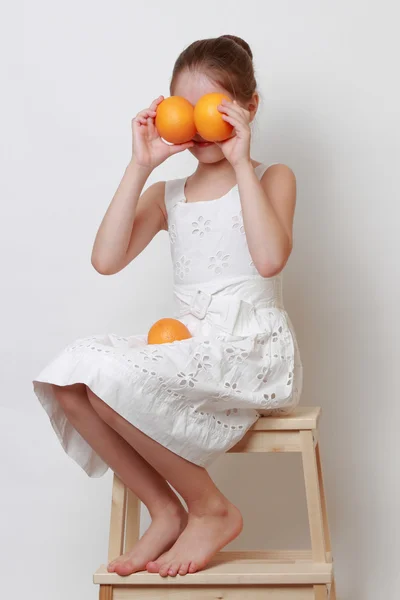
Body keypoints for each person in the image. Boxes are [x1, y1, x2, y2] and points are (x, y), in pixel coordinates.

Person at [32, 34, 303, 578]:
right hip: (189, 342)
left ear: (248, 108)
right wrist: (141, 166)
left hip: (251, 350)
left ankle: (211, 508)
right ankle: (164, 508)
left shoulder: (272, 177)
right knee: (69, 377)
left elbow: (270, 259)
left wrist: (242, 162)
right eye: (190, 112)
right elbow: (105, 260)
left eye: (215, 112)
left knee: (106, 377)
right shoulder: (169, 195)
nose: (201, 130)